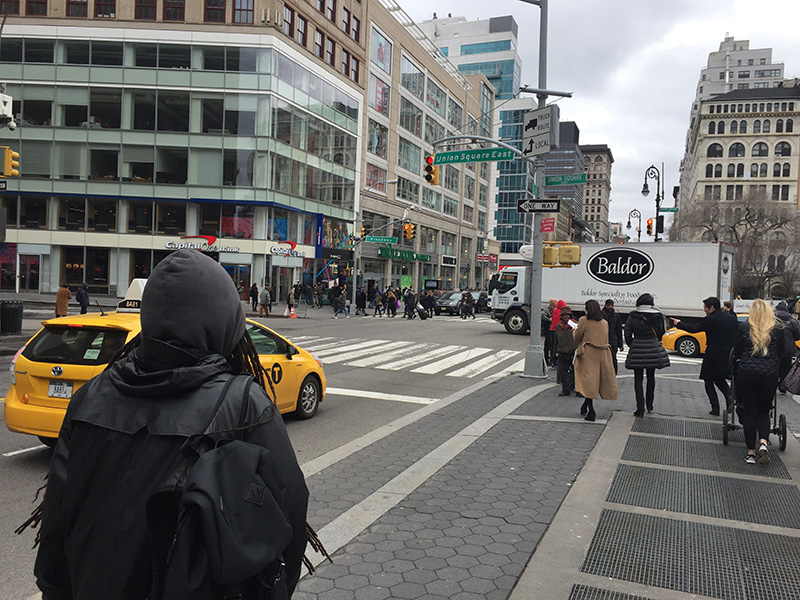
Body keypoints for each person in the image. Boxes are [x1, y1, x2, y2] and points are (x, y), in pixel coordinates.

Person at [34, 249, 309, 599]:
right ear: (225, 322)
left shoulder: (91, 396)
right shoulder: (245, 405)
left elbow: (56, 521)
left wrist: (56, 590)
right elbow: (289, 519)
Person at [731, 299, 785, 465]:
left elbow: (737, 351)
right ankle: (763, 442)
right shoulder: (776, 330)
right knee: (764, 411)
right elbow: (781, 352)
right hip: (769, 375)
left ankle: (750, 453)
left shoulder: (744, 328)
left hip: (746, 374)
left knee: (750, 412)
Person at [671, 296, 739, 415]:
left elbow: (694, 329)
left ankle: (715, 408)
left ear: (712, 308)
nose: (704, 310)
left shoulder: (710, 319)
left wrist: (679, 323)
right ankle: (729, 396)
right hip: (728, 354)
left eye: (705, 308)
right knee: (719, 378)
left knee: (708, 379)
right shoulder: (732, 318)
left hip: (713, 353)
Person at [624, 293, 670, 417]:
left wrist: (633, 345)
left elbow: (627, 334)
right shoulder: (658, 316)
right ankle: (650, 404)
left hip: (638, 348)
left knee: (638, 379)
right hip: (652, 348)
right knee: (651, 377)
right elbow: (661, 333)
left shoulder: (632, 316)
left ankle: (640, 408)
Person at [574, 299, 619, 422]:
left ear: (588, 309)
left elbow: (577, 337)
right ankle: (585, 406)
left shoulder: (584, 320)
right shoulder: (604, 322)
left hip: (588, 353)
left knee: (588, 381)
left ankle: (591, 410)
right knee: (594, 382)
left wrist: (574, 330)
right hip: (602, 354)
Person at [774, 300, 800, 393]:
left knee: (775, 364)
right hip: (788, 348)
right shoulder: (792, 321)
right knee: (786, 366)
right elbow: (797, 335)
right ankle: (783, 384)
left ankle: (773, 382)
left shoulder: (771, 319)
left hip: (775, 347)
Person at [554, 306, 578, 398]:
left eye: (567, 315)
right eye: (563, 315)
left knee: (577, 373)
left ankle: (578, 390)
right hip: (562, 352)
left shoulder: (574, 325)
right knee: (563, 373)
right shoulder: (558, 326)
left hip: (573, 353)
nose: (565, 317)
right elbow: (555, 340)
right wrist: (554, 353)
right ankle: (566, 390)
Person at [602, 299, 624, 374]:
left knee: (613, 358)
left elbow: (619, 331)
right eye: (608, 305)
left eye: (611, 305)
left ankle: (614, 374)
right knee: (603, 360)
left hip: (613, 341)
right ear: (605, 305)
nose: (610, 307)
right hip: (603, 341)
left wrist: (620, 344)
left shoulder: (616, 316)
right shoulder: (601, 315)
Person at [550, 300, 567, 367]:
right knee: (558, 345)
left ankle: (552, 358)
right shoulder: (561, 313)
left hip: (552, 329)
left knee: (553, 345)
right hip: (558, 330)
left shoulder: (554, 311)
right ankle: (556, 359)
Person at [542, 299, 556, 367]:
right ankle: (546, 359)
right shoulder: (547, 309)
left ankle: (550, 358)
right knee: (548, 344)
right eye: (555, 302)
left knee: (551, 344)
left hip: (551, 329)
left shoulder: (553, 309)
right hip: (548, 329)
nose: (556, 303)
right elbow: (542, 315)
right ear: (552, 303)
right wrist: (549, 319)